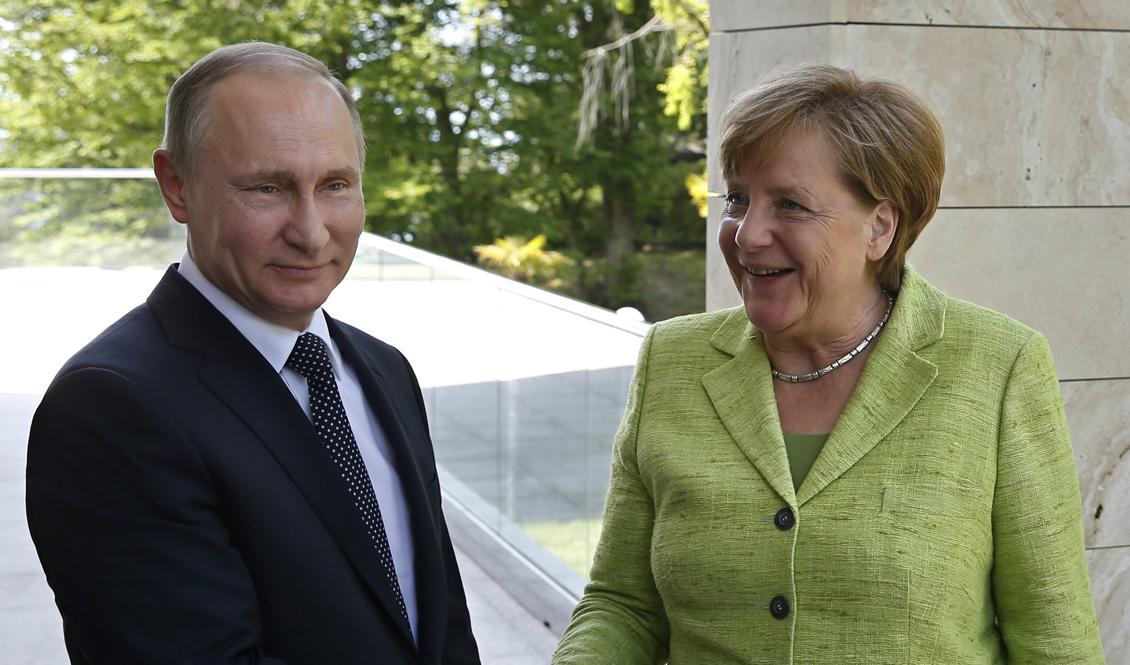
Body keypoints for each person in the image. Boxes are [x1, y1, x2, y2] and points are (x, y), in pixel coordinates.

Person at [552, 64, 1104, 664]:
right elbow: (624, 606)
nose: (747, 234)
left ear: (880, 228)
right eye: (738, 198)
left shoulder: (997, 366)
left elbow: (1054, 640)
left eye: (789, 205)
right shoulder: (672, 359)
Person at [26, 42, 480, 665]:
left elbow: (439, 627)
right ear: (176, 186)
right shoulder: (110, 404)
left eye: (336, 185)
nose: (312, 230)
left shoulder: (383, 368)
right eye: (268, 188)